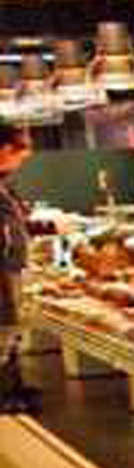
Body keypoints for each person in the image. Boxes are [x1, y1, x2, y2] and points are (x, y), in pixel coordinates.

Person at [0, 122, 39, 414]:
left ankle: (12, 389)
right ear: (4, 150)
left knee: (9, 329)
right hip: (2, 271)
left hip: (8, 269)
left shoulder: (4, 183)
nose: (20, 164)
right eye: (19, 156)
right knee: (4, 327)